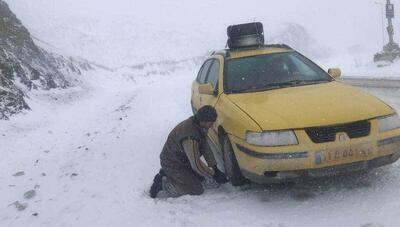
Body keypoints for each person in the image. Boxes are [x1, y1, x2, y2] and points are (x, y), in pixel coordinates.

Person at [149, 105, 228, 198]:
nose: (212, 125)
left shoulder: (199, 126)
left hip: (183, 160)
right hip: (173, 163)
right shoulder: (190, 136)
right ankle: (163, 183)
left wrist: (214, 167)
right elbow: (196, 164)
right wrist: (213, 175)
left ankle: (173, 175)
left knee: (200, 178)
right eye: (211, 122)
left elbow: (206, 147)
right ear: (203, 121)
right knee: (195, 189)